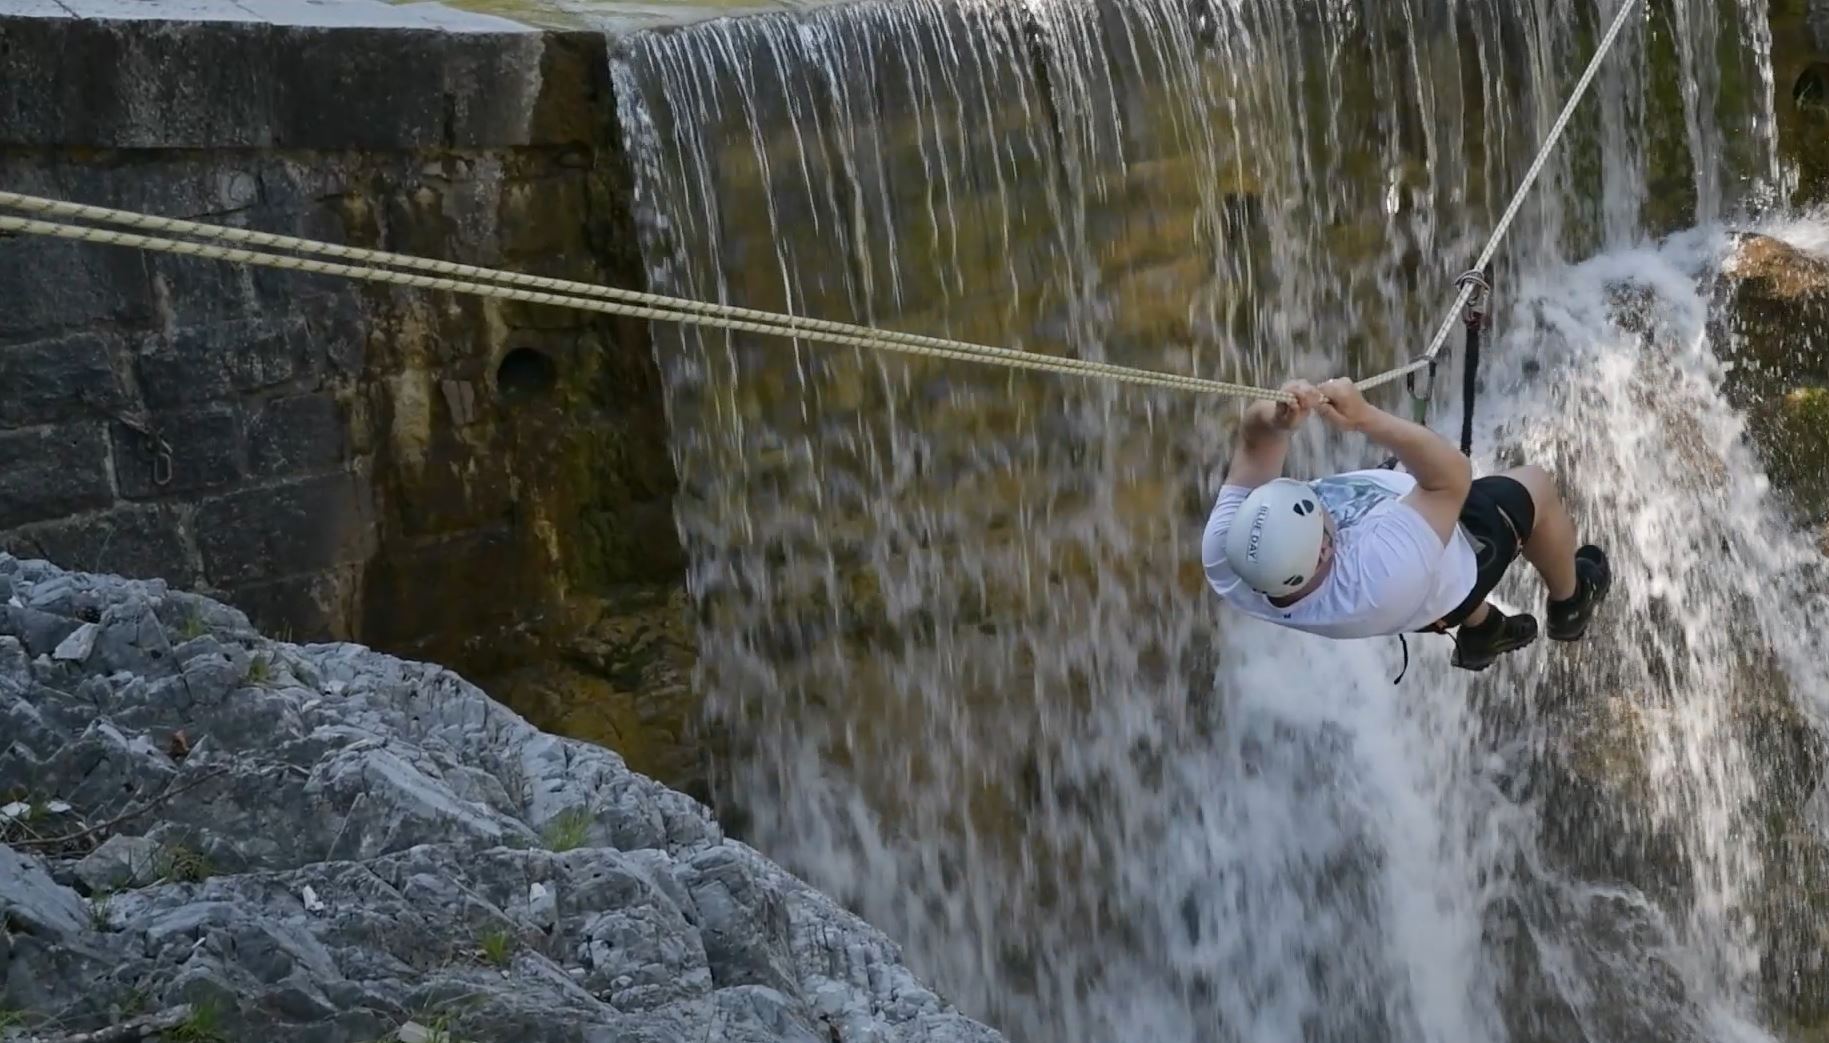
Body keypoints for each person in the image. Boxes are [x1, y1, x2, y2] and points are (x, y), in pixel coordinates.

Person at [1200, 378, 1611, 671]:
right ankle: (1570, 602)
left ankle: (1484, 629)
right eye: (1317, 510)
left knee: (1407, 472)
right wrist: (1365, 418)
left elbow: (1254, 445)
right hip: (1452, 567)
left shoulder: (1226, 553)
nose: (1320, 499)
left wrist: (1276, 419)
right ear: (1326, 550)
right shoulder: (1378, 574)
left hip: (1413, 588)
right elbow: (1452, 477)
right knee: (1535, 485)